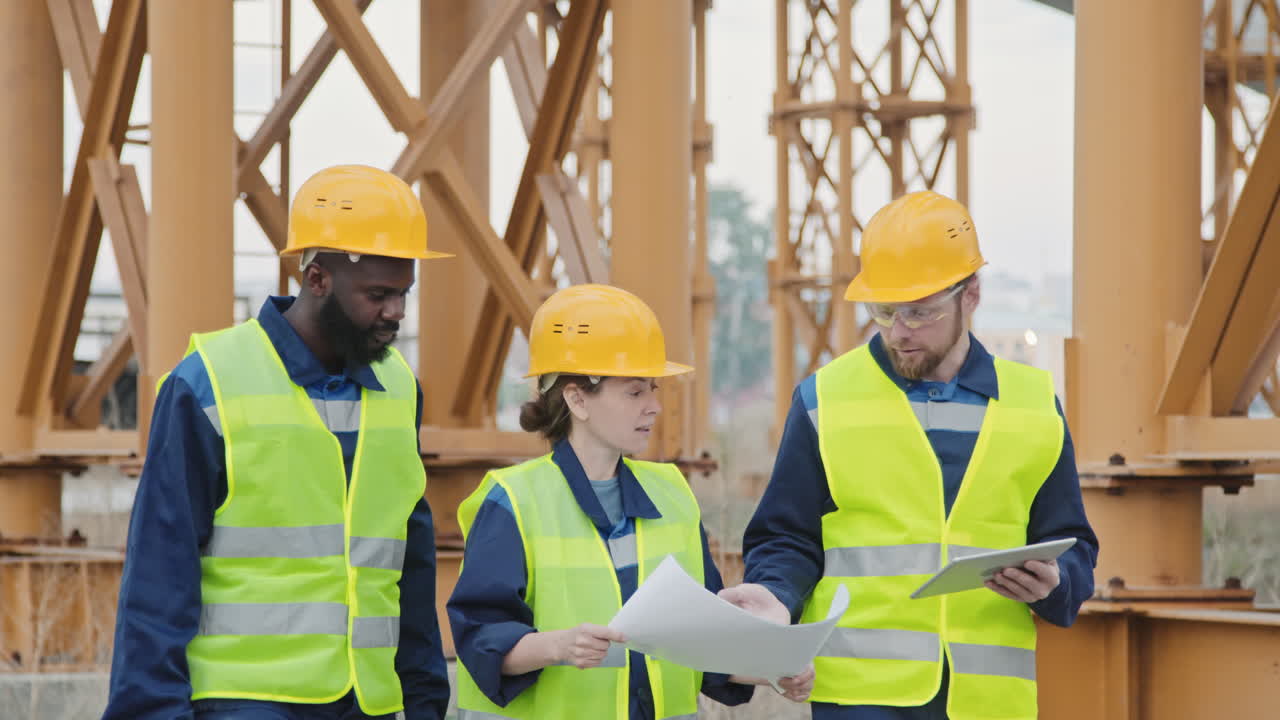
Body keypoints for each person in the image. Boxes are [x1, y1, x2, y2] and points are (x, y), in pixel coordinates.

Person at [721, 191, 1099, 720]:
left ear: (971, 295)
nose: (900, 331)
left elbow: (1073, 543)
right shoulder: (824, 399)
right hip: (860, 699)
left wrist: (1057, 584)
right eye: (884, 311)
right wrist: (777, 595)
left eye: (920, 313)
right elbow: (786, 535)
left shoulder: (1034, 405)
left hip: (989, 703)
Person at [102, 165, 452, 720]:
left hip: (368, 702)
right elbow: (158, 573)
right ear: (316, 279)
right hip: (244, 703)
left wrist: (426, 701)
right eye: (379, 295)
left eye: (404, 293)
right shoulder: (208, 383)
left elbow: (409, 563)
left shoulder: (399, 389)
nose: (396, 313)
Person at [447, 283, 814, 719]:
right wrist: (558, 646)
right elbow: (481, 639)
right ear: (577, 398)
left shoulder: (672, 494)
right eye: (635, 392)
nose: (655, 407)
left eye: (654, 389)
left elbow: (704, 644)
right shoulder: (512, 502)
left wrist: (773, 669)